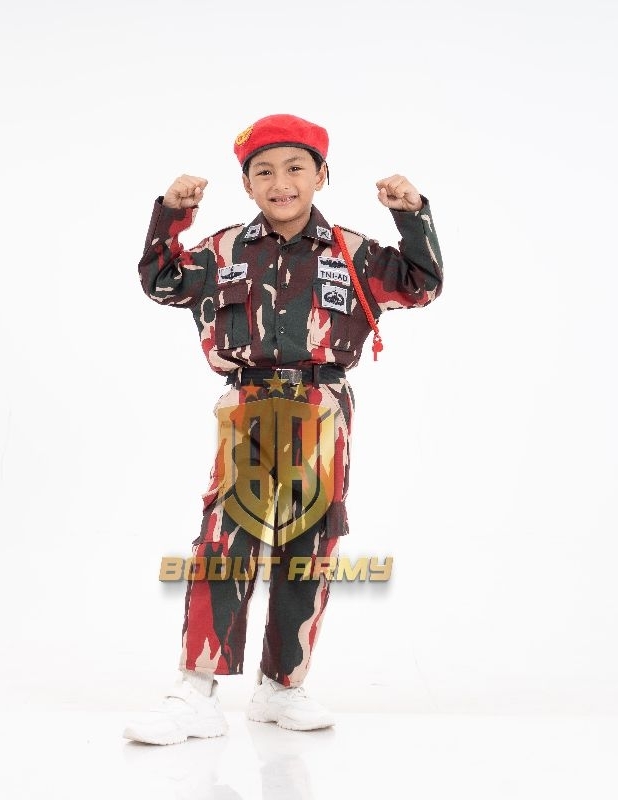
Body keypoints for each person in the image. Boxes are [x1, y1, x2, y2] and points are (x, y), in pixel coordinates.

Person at [123, 113, 443, 746]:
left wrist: (412, 215)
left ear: (321, 175)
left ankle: (282, 685)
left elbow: (421, 284)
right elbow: (159, 281)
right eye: (263, 172)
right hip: (248, 406)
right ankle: (196, 689)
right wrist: (171, 215)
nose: (281, 183)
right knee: (227, 537)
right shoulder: (221, 251)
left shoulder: (355, 252)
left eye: (296, 168)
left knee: (310, 543)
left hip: (323, 408)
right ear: (247, 185)